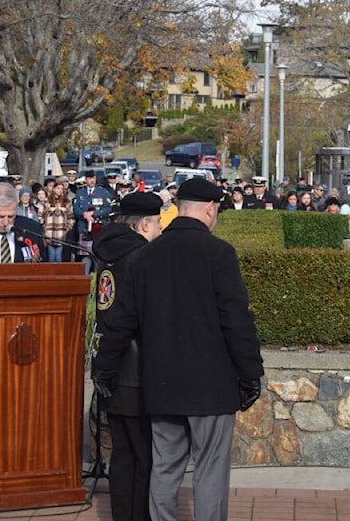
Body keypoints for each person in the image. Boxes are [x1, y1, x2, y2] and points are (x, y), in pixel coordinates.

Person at [91, 177, 263, 521]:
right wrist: (251, 375)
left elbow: (120, 322)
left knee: (165, 469)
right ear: (211, 209)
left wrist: (103, 368)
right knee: (210, 471)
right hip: (211, 387)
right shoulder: (220, 253)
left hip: (161, 383)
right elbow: (236, 321)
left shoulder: (145, 255)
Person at [91, 191, 163, 521]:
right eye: (159, 222)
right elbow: (139, 318)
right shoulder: (142, 258)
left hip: (111, 367)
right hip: (136, 372)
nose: (161, 229)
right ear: (144, 224)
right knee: (145, 457)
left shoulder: (108, 253)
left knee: (122, 455)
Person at [39, 180, 74, 262]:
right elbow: (40, 215)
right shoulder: (46, 202)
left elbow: (71, 217)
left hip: (61, 234)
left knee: (58, 257)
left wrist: (67, 228)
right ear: (54, 189)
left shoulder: (66, 202)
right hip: (49, 234)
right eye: (58, 188)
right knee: (51, 257)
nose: (60, 190)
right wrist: (44, 227)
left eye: (62, 189)